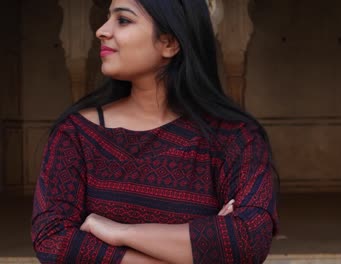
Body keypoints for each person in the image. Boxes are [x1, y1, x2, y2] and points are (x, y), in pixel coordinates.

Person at [31, 0, 278, 263]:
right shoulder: (76, 135)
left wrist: (120, 233)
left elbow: (251, 238)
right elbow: (52, 239)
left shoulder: (234, 138)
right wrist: (198, 247)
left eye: (123, 20)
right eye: (107, 18)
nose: (101, 30)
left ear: (169, 43)